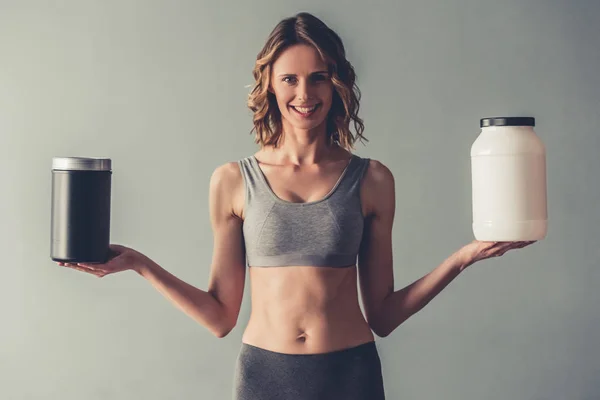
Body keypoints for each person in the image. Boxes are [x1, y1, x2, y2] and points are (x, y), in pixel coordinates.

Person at [57, 12, 536, 400]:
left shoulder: (372, 180)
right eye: (290, 79)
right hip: (265, 377)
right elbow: (221, 316)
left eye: (318, 78)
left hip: (351, 374)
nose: (304, 95)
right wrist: (140, 264)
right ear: (269, 84)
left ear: (337, 85)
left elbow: (384, 316)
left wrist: (463, 257)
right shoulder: (231, 181)